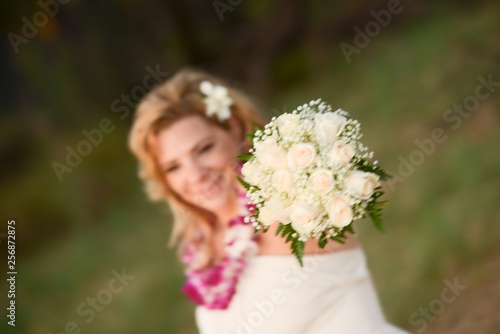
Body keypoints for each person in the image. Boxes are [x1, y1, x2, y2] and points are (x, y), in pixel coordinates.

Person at [128, 68, 408, 334]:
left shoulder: (297, 207)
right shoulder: (201, 243)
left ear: (234, 128)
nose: (195, 176)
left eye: (204, 149)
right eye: (173, 167)